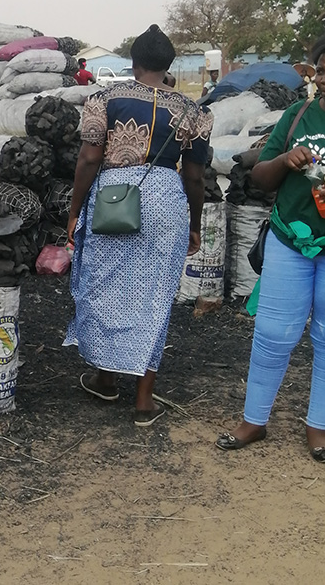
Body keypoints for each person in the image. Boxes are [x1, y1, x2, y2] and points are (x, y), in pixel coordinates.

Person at [64, 24, 213, 426]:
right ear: (169, 65)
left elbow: (89, 158)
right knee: (155, 295)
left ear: (134, 63)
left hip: (115, 197)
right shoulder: (193, 110)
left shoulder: (103, 98)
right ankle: (143, 400)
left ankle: (106, 377)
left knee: (104, 283)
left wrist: (75, 209)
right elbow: (195, 176)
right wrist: (193, 223)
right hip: (166, 199)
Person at [216, 34, 325, 461]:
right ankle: (254, 421)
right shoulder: (298, 116)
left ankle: (318, 427)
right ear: (315, 74)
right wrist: (285, 160)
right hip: (288, 241)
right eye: (324, 69)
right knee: (273, 335)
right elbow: (260, 177)